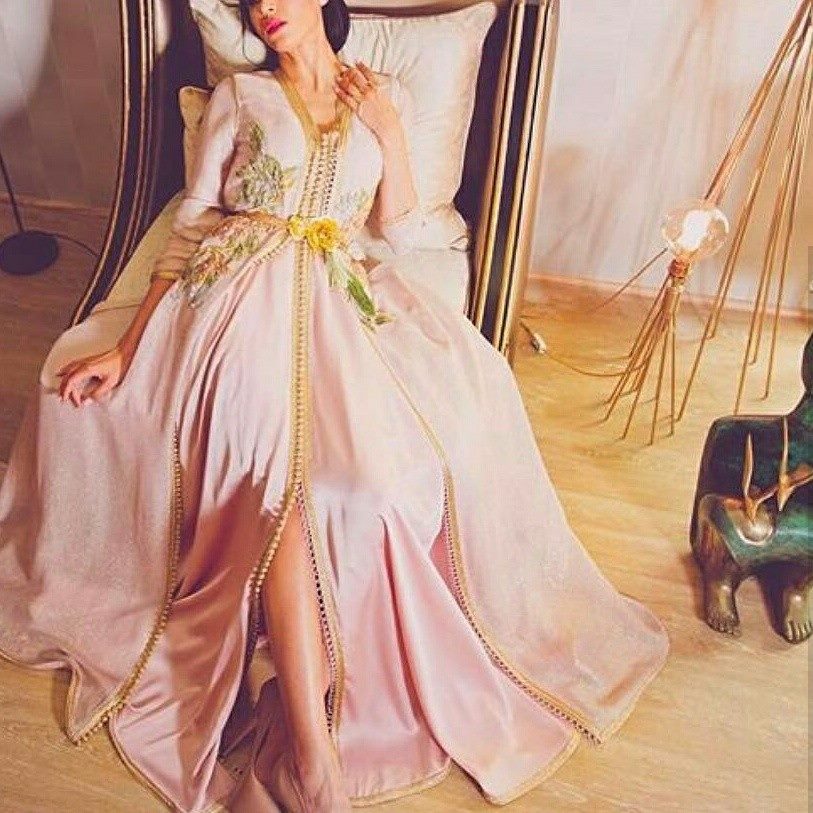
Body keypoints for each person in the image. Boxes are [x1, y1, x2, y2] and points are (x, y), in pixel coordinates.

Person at [0, 1, 671, 811]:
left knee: (369, 470)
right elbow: (192, 222)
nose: (265, 9)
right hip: (233, 299)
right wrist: (129, 345)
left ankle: (304, 740)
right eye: (252, 1)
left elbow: (400, 227)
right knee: (281, 483)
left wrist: (387, 129)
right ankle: (313, 763)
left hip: (340, 301)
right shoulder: (240, 97)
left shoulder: (381, 93)